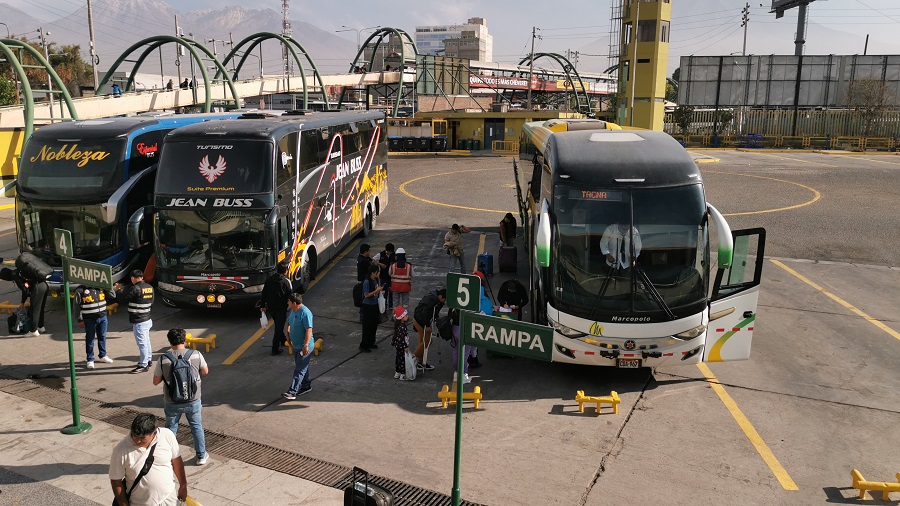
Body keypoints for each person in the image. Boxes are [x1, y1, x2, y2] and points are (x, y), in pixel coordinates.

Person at [152, 328, 209, 465]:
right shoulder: (196, 354)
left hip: (172, 400)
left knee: (171, 429)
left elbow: (155, 382)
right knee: (196, 427)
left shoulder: (163, 359)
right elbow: (205, 371)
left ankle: (171, 457)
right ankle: (201, 456)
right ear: (185, 340)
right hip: (193, 399)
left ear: (170, 341)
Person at [109, 412, 188, 506]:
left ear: (154, 434)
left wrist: (183, 485)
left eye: (142, 438)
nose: (137, 440)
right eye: (134, 436)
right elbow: (116, 482)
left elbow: (176, 460)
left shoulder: (167, 435)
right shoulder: (120, 450)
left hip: (170, 499)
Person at [115, 269, 155, 374]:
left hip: (139, 320)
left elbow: (123, 299)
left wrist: (119, 290)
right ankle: (148, 359)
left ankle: (143, 364)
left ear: (133, 278)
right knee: (146, 341)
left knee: (142, 343)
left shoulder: (135, 288)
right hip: (147, 318)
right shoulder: (149, 287)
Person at [74, 285, 116, 369]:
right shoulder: (80, 290)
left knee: (102, 337)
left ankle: (102, 355)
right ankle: (90, 359)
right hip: (89, 318)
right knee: (90, 339)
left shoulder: (100, 286)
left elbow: (113, 295)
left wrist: (108, 286)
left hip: (102, 317)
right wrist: (79, 319)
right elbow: (76, 306)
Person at [282, 293, 314, 399]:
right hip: (296, 346)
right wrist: (287, 334)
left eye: (289, 301)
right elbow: (288, 323)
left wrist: (306, 345)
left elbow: (309, 330)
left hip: (304, 346)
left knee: (299, 369)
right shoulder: (292, 311)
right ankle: (306, 386)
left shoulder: (305, 313)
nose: (287, 303)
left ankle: (292, 391)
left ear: (294, 303)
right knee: (302, 367)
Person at [259, 260, 293, 355]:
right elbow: (290, 296)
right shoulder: (285, 282)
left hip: (271, 308)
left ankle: (283, 340)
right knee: (278, 327)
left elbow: (264, 293)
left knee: (278, 324)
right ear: (286, 271)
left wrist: (262, 306)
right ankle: (275, 349)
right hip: (281, 308)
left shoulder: (269, 280)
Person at [412, 288, 446, 370]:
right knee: (427, 341)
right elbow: (425, 313)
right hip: (421, 321)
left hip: (418, 319)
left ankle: (421, 362)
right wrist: (427, 325)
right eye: (444, 299)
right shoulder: (431, 301)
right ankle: (412, 357)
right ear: (440, 296)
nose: (444, 301)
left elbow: (433, 312)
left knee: (422, 342)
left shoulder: (434, 298)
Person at [359, 264, 382, 352]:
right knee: (367, 325)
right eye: (377, 272)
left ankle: (371, 342)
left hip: (374, 304)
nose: (379, 273)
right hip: (368, 305)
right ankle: (364, 344)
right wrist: (376, 291)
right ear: (373, 273)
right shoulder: (367, 282)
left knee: (374, 324)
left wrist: (379, 291)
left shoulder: (375, 280)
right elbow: (366, 294)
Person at [448, 308, 471, 384]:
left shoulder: (455, 302)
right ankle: (463, 373)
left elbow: (449, 314)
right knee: (465, 353)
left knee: (455, 351)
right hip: (465, 328)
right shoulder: (470, 303)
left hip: (455, 328)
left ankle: (456, 372)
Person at [373, 243, 395, 313]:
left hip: (391, 277)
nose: (390, 253)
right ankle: (384, 307)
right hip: (383, 277)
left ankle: (391, 306)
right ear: (386, 250)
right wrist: (380, 264)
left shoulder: (394, 255)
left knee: (391, 292)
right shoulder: (380, 255)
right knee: (384, 292)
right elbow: (373, 260)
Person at [391, 306, 410, 380]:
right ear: (401, 317)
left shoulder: (397, 325)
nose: (407, 316)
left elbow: (396, 335)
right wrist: (405, 346)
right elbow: (402, 338)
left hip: (397, 345)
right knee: (402, 360)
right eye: (405, 315)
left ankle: (397, 372)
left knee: (398, 358)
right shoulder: (402, 327)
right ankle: (402, 373)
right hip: (402, 346)